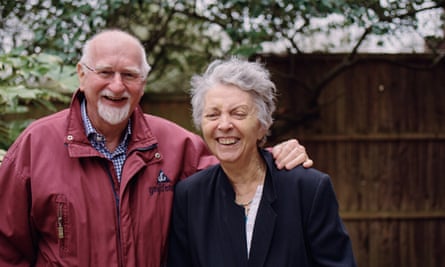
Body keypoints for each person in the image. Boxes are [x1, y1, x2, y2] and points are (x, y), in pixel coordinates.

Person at [0, 30, 313, 266]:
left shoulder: (176, 146)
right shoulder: (35, 146)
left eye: (130, 75)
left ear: (143, 83)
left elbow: (235, 172)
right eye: (106, 72)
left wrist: (274, 156)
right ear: (82, 75)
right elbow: (6, 249)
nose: (117, 86)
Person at [167, 58, 357, 267]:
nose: (224, 125)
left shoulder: (307, 189)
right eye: (212, 115)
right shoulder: (189, 197)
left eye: (238, 114)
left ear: (262, 126)